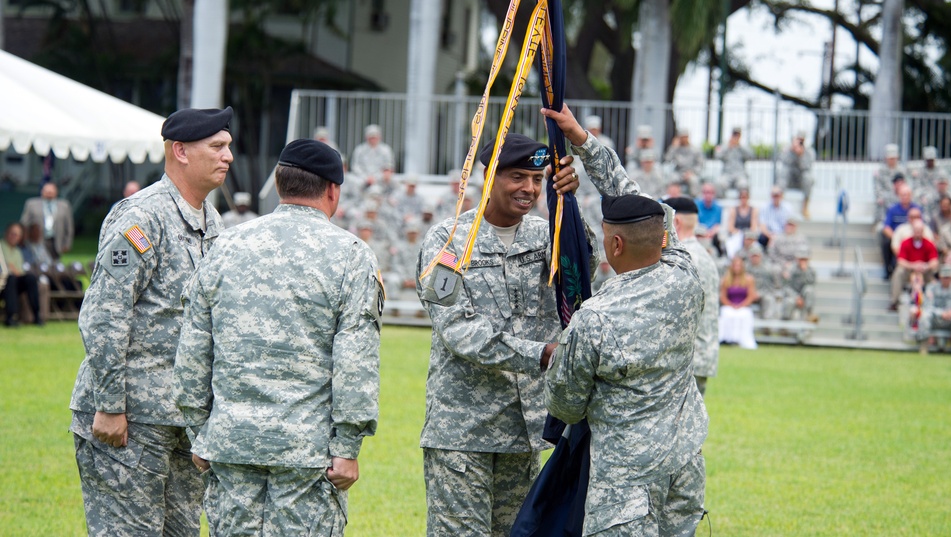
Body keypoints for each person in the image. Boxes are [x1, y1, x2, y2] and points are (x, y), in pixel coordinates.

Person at [173, 139, 381, 536]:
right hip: (307, 453)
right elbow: (356, 360)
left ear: (279, 183)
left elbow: (194, 348)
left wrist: (199, 431)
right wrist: (347, 447)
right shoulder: (351, 255)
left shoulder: (224, 245)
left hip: (230, 444)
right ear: (332, 190)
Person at [69, 106, 233, 537]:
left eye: (229, 146)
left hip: (182, 421)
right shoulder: (143, 217)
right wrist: (109, 405)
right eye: (217, 146)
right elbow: (105, 312)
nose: (228, 156)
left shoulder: (211, 222)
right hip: (130, 420)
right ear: (180, 151)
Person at [416, 133, 584, 537]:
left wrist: (570, 208)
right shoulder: (449, 239)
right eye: (516, 177)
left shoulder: (549, 235)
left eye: (536, 179)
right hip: (463, 432)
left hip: (524, 432)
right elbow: (458, 330)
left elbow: (585, 278)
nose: (528, 188)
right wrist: (539, 354)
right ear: (488, 177)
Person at [544, 194, 708, 536]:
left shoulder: (593, 317)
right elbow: (662, 223)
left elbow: (567, 407)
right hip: (683, 467)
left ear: (615, 244)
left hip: (624, 482)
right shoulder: (686, 279)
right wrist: (587, 147)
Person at [668, 196, 720, 397]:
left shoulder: (682, 257)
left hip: (684, 359)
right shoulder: (703, 255)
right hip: (699, 354)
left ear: (676, 222)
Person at [890, 220, 939, 310]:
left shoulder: (928, 244)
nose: (918, 233)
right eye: (916, 231)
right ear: (912, 231)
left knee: (934, 277)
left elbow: (934, 261)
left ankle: (934, 303)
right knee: (898, 272)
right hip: (909, 270)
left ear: (923, 232)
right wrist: (913, 265)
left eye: (920, 231)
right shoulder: (905, 243)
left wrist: (925, 266)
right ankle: (895, 301)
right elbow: (900, 260)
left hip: (925, 272)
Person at [918, 265, 951, 355]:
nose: (946, 279)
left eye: (948, 277)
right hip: (936, 319)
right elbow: (928, 306)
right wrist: (941, 313)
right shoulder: (931, 288)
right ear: (940, 276)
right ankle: (924, 346)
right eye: (944, 277)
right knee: (925, 316)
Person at [20, 182, 74, 261]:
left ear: (56, 192)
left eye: (51, 191)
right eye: (47, 191)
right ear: (42, 191)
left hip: (55, 241)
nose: (49, 193)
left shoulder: (64, 205)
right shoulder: (31, 204)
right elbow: (24, 223)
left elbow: (69, 227)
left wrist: (67, 243)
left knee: (55, 264)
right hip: (37, 241)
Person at [2, 222, 42, 326]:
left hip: (14, 280)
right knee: (11, 279)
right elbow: (6, 267)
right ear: (7, 233)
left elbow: (19, 270)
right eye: (12, 233)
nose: (14, 237)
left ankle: (36, 315)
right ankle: (11, 317)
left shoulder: (18, 252)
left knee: (30, 278)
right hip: (3, 281)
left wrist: (13, 270)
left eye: (17, 235)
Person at [718, 255, 758, 349]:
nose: (737, 267)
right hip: (730, 305)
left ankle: (743, 340)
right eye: (735, 265)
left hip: (743, 306)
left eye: (739, 265)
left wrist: (741, 305)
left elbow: (751, 296)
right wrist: (731, 305)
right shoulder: (726, 280)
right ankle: (727, 339)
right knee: (727, 313)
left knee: (744, 315)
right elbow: (723, 296)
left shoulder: (749, 279)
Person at [881, 185, 919, 279]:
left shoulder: (916, 208)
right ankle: (888, 270)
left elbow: (922, 225)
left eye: (907, 195)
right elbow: (886, 227)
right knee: (886, 243)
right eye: (902, 195)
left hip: (914, 237)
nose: (905, 197)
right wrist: (896, 238)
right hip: (897, 236)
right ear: (899, 195)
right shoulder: (893, 209)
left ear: (911, 195)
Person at [777, 131, 815, 218]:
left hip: (801, 180)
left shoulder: (809, 151)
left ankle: (805, 207)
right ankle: (779, 204)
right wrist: (791, 151)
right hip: (790, 179)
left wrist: (800, 155)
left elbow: (807, 167)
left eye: (801, 140)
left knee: (808, 177)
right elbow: (783, 161)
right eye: (798, 140)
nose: (799, 142)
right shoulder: (788, 149)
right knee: (783, 172)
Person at [746, 243, 782, 320]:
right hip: (747, 295)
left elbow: (770, 287)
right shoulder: (745, 269)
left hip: (763, 294)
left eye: (757, 256)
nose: (755, 258)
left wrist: (759, 294)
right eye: (753, 256)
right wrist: (751, 294)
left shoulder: (767, 269)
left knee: (769, 299)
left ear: (761, 256)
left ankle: (767, 325)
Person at [663, 127, 703, 195]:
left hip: (691, 173)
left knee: (694, 181)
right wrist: (673, 147)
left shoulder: (695, 149)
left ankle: (694, 199)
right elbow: (667, 159)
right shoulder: (675, 148)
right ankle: (672, 198)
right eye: (681, 137)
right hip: (678, 173)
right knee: (671, 179)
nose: (683, 139)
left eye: (685, 137)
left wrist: (692, 172)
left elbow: (700, 164)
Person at [724, 187, 760, 258]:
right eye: (742, 197)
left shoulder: (753, 210)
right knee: (731, 245)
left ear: (748, 198)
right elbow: (730, 227)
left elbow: (754, 226)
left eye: (745, 197)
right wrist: (739, 233)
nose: (743, 199)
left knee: (756, 247)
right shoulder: (734, 210)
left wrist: (747, 235)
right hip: (737, 234)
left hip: (749, 235)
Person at [784, 251, 818, 323]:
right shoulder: (792, 270)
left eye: (804, 260)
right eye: (801, 259)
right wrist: (796, 297)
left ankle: (809, 315)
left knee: (809, 290)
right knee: (789, 302)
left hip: (805, 296)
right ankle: (785, 326)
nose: (803, 262)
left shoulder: (811, 271)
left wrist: (804, 272)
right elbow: (787, 287)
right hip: (793, 295)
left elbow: (811, 284)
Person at [715, 127, 751, 193]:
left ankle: (742, 203)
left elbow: (750, 156)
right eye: (734, 134)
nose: (736, 137)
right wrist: (728, 146)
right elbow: (717, 156)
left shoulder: (743, 147)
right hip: (727, 174)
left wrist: (739, 146)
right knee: (720, 184)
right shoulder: (725, 146)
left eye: (738, 135)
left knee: (744, 185)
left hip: (740, 174)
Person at [873, 143, 902, 225]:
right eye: (890, 158)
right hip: (885, 199)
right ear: (886, 158)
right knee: (881, 201)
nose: (892, 160)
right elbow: (877, 188)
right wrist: (881, 197)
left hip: (899, 197)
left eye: (894, 158)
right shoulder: (880, 171)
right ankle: (882, 223)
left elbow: (906, 186)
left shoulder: (902, 170)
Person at [694, 182, 724, 256]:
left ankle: (720, 256)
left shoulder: (718, 208)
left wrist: (710, 233)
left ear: (714, 194)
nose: (708, 195)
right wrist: (703, 233)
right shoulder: (696, 205)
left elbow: (717, 225)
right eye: (706, 192)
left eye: (710, 193)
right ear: (702, 193)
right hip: (699, 233)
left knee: (722, 237)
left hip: (712, 235)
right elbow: (695, 221)